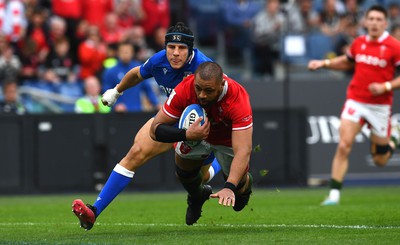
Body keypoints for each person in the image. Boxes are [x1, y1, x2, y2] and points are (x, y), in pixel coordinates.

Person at [72, 22, 221, 230]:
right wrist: (116, 91)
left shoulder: (204, 68)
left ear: (191, 50)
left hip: (202, 125)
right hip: (172, 118)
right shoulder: (159, 60)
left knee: (198, 177)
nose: (175, 53)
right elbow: (136, 73)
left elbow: (223, 98)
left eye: (181, 48)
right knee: (135, 153)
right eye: (171, 47)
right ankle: (94, 212)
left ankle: (213, 173)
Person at [308, 5, 400, 206]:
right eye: (371, 19)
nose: (374, 23)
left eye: (378, 19)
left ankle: (393, 140)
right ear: (365, 22)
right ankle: (334, 194)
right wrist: (324, 63)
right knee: (344, 144)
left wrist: (386, 86)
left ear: (385, 23)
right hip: (356, 100)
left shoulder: (394, 46)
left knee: (380, 160)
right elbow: (348, 61)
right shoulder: (359, 43)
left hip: (379, 106)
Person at [149, 61, 254, 225]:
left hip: (227, 141)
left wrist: (229, 187)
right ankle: (197, 197)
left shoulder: (237, 98)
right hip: (196, 135)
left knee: (238, 185)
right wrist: (186, 133)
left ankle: (245, 186)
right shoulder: (185, 88)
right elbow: (154, 130)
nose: (202, 95)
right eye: (199, 88)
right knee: (183, 173)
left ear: (221, 85)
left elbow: (243, 150)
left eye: (209, 90)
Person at [101, 41, 160, 112]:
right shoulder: (110, 71)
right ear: (118, 53)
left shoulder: (139, 69)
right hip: (118, 113)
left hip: (136, 111)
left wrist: (156, 104)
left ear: (132, 53)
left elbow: (148, 89)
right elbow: (106, 90)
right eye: (123, 52)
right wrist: (117, 105)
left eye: (128, 52)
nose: (126, 54)